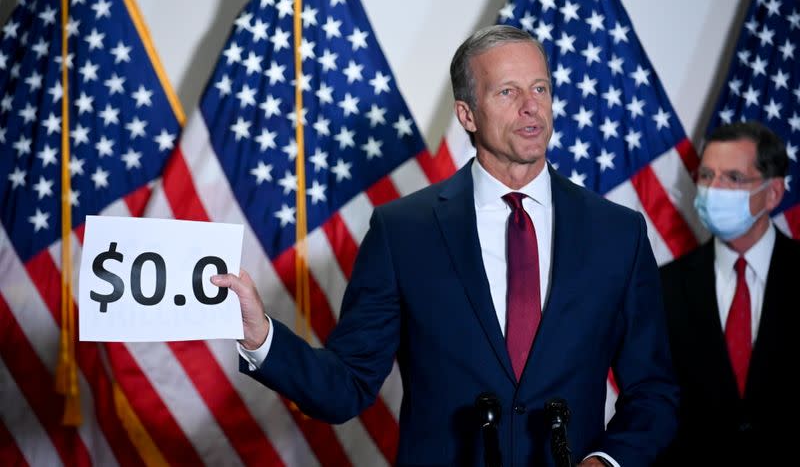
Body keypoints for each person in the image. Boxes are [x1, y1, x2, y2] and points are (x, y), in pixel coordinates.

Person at [212, 25, 678, 466]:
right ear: (467, 114)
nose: (531, 107)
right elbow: (345, 385)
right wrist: (260, 337)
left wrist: (606, 461)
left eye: (540, 88)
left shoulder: (618, 233)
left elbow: (653, 393)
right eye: (508, 92)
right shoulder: (403, 231)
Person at [657, 121, 798, 466]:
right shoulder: (665, 285)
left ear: (773, 192)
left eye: (733, 178)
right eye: (707, 176)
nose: (713, 189)